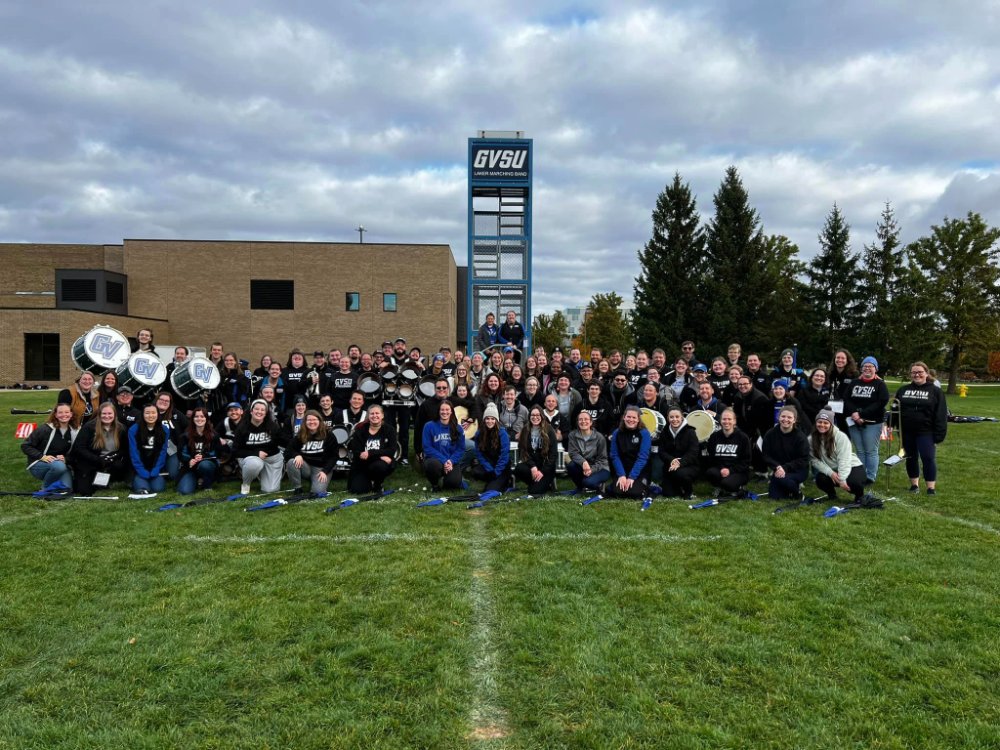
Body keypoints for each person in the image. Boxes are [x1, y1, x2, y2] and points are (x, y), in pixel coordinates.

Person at [895, 362, 948, 495]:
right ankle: (914, 485)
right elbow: (895, 409)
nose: (917, 374)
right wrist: (894, 427)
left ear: (926, 373)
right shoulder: (903, 390)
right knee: (910, 458)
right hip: (907, 432)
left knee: (928, 458)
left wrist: (939, 434)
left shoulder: (936, 391)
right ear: (910, 374)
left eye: (920, 372)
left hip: (926, 432)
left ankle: (931, 487)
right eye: (914, 372)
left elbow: (941, 414)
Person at [844, 356, 889, 485]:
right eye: (865, 366)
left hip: (872, 422)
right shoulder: (854, 383)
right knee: (859, 450)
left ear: (876, 369)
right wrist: (854, 413)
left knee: (870, 450)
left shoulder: (880, 384)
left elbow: (881, 402)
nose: (867, 368)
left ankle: (870, 476)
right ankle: (861, 474)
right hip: (854, 421)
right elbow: (847, 399)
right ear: (861, 368)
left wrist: (862, 414)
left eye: (871, 366)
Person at [68, 401, 129, 496]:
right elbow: (79, 448)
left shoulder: (121, 428)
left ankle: (109, 480)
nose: (107, 416)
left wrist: (113, 456)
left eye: (110, 413)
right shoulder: (89, 427)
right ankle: (83, 477)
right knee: (84, 491)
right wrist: (97, 459)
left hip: (110, 462)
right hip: (91, 461)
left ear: (115, 414)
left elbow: (124, 449)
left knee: (119, 466)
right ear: (99, 414)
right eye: (104, 413)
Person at [810, 409, 865, 503]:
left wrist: (842, 479)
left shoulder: (841, 437)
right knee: (820, 479)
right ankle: (832, 495)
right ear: (816, 423)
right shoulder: (811, 439)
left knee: (854, 483)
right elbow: (814, 460)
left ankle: (859, 496)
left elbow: (844, 459)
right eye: (819, 422)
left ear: (831, 424)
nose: (822, 425)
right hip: (833, 469)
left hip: (851, 465)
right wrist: (830, 473)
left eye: (825, 423)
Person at [231, 399, 284, 495]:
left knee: (270, 490)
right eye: (257, 409)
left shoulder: (273, 426)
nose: (259, 412)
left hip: (272, 459)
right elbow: (235, 451)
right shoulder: (242, 427)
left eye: (262, 410)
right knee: (255, 463)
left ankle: (264, 477)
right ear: (251, 411)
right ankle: (246, 483)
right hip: (250, 458)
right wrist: (256, 453)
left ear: (266, 413)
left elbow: (284, 441)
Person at [22, 403, 79, 490]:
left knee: (67, 489)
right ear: (55, 415)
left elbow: (76, 451)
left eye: (67, 412)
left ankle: (55, 481)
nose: (64, 415)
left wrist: (66, 459)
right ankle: (45, 488)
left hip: (61, 465)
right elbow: (25, 446)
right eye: (60, 412)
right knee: (59, 467)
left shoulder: (75, 431)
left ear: (71, 414)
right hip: (39, 464)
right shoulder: (45, 429)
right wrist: (42, 456)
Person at [761, 406, 811, 500]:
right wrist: (777, 467)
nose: (786, 419)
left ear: (794, 420)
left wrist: (785, 468)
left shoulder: (800, 437)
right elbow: (766, 455)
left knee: (783, 480)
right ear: (778, 417)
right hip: (778, 469)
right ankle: (788, 488)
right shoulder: (770, 434)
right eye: (783, 416)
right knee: (774, 496)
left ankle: (798, 493)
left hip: (797, 470)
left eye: (789, 417)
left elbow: (804, 459)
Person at [346, 404, 398, 494]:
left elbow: (391, 450)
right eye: (372, 414)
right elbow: (357, 452)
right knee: (357, 490)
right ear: (368, 416)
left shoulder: (390, 430)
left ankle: (378, 484)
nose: (374, 416)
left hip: (379, 464)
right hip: (362, 464)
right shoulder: (360, 430)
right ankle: (369, 482)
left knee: (379, 466)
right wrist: (379, 456)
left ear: (382, 415)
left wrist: (370, 453)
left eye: (377, 413)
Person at [285, 410, 338, 494]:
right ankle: (297, 488)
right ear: (305, 422)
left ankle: (315, 481)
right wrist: (296, 455)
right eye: (309, 420)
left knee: (317, 492)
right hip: (306, 467)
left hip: (321, 468)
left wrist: (325, 471)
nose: (312, 422)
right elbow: (288, 451)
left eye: (314, 419)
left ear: (319, 421)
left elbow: (334, 456)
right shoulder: (300, 435)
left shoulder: (328, 435)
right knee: (292, 462)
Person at [606, 405, 652, 499]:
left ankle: (648, 485)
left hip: (639, 470)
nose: (631, 419)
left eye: (634, 417)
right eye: (628, 417)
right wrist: (622, 475)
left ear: (638, 419)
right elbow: (614, 455)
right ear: (624, 417)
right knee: (618, 492)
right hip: (622, 469)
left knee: (635, 493)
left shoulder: (644, 433)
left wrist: (631, 477)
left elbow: (642, 457)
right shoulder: (617, 433)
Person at [704, 408, 752, 497]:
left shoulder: (743, 437)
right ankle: (719, 486)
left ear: (734, 421)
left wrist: (730, 470)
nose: (726, 422)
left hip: (738, 471)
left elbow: (746, 461)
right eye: (724, 419)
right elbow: (712, 457)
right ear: (720, 421)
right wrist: (722, 468)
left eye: (729, 419)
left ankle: (738, 487)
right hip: (720, 469)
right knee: (710, 473)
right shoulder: (714, 437)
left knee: (728, 484)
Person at [177, 407, 223, 495]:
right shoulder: (185, 436)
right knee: (185, 491)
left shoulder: (214, 435)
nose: (199, 419)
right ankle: (197, 480)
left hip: (207, 464)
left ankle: (207, 484)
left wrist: (203, 456)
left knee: (205, 465)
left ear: (206, 418)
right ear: (192, 419)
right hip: (190, 467)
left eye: (202, 416)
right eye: (196, 416)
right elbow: (181, 454)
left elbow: (218, 453)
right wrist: (189, 460)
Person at [513, 405, 558, 494]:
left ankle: (541, 484)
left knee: (534, 491)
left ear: (542, 416)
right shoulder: (525, 430)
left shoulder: (549, 430)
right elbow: (522, 450)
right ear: (529, 417)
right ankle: (537, 483)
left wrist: (542, 471)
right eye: (532, 415)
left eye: (538, 415)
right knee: (518, 469)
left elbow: (553, 454)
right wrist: (533, 466)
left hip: (546, 467)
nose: (535, 417)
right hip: (533, 465)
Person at [422, 400, 465, 491]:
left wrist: (451, 461)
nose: (444, 412)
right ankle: (435, 484)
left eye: (447, 410)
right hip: (435, 460)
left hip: (451, 461)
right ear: (438, 411)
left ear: (451, 411)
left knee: (453, 483)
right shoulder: (429, 426)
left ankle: (447, 478)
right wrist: (444, 460)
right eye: (442, 410)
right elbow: (427, 447)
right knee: (432, 466)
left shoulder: (458, 428)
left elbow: (460, 449)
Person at [659, 407, 701, 500]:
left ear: (682, 417)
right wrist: (672, 460)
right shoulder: (664, 432)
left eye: (677, 417)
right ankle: (678, 487)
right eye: (671, 417)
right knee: (668, 494)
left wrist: (679, 463)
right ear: (667, 418)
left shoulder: (690, 432)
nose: (674, 419)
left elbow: (693, 452)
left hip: (689, 466)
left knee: (680, 474)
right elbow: (661, 451)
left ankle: (688, 491)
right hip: (670, 466)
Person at [128, 403, 170, 494]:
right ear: (142, 414)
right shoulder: (134, 430)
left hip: (155, 465)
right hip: (139, 466)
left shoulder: (164, 429)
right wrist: (141, 470)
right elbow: (134, 452)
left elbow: (163, 452)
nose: (150, 415)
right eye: (147, 413)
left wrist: (156, 469)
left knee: (158, 489)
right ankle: (136, 480)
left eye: (153, 413)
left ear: (157, 414)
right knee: (143, 489)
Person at [565, 410, 610, 493]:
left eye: (586, 419)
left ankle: (598, 486)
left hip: (600, 468)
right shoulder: (573, 435)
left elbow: (602, 460)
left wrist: (591, 470)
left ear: (591, 422)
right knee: (571, 465)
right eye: (580, 419)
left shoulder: (599, 437)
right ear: (577, 422)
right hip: (583, 467)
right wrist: (583, 462)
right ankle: (580, 487)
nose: (583, 421)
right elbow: (573, 453)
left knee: (588, 482)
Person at [471, 403, 511, 493]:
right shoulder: (479, 433)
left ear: (496, 420)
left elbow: (504, 456)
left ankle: (505, 481)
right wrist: (489, 469)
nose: (490, 421)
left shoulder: (502, 433)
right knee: (476, 472)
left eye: (492, 419)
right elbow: (479, 454)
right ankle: (493, 481)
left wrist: (496, 472)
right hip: (489, 464)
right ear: (484, 420)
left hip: (501, 467)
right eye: (487, 418)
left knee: (490, 490)